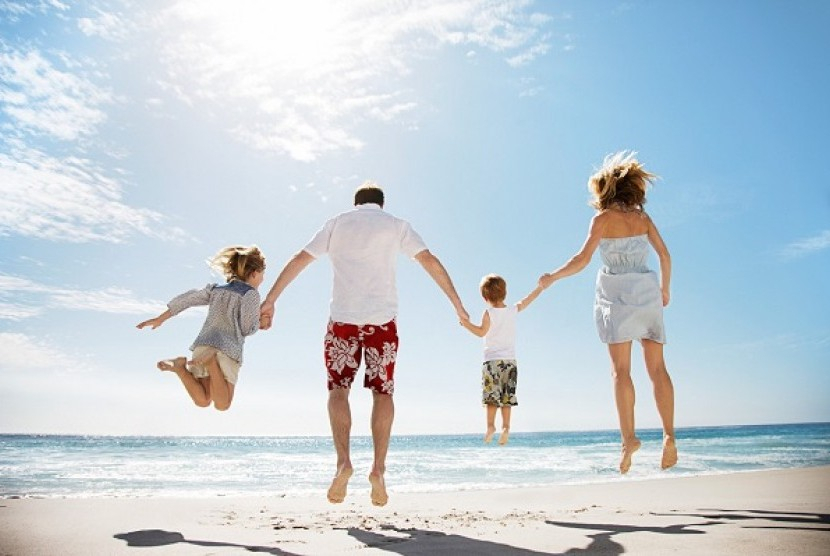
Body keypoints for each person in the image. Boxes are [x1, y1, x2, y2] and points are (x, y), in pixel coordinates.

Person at [259, 182, 468, 507]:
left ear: (356, 203)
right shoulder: (396, 225)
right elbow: (429, 261)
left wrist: (270, 300)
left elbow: (300, 259)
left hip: (342, 322)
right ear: (380, 204)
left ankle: (343, 463)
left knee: (338, 391)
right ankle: (379, 470)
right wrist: (457, 304)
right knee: (383, 393)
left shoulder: (337, 223)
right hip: (382, 322)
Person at [538, 151, 677, 474]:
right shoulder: (643, 219)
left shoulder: (601, 220)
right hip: (646, 290)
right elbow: (665, 255)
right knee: (657, 368)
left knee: (621, 372)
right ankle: (669, 434)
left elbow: (582, 259)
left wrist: (552, 277)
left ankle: (629, 439)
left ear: (605, 190)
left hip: (616, 294)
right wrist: (665, 289)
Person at [137, 245, 266, 412]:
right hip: (226, 349)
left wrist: (160, 318)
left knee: (203, 400)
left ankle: (180, 368)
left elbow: (188, 299)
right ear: (254, 273)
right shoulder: (251, 294)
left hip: (203, 345)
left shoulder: (215, 290)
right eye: (262, 275)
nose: (262, 280)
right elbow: (247, 328)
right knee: (222, 404)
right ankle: (210, 361)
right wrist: (259, 321)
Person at [460, 274, 543, 445]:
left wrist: (466, 324)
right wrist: (540, 287)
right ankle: (506, 427)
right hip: (510, 362)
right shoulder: (513, 310)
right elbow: (528, 300)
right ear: (505, 292)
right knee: (507, 397)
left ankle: (490, 426)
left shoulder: (488, 313)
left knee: (492, 398)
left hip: (491, 362)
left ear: (485, 297)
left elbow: (481, 332)